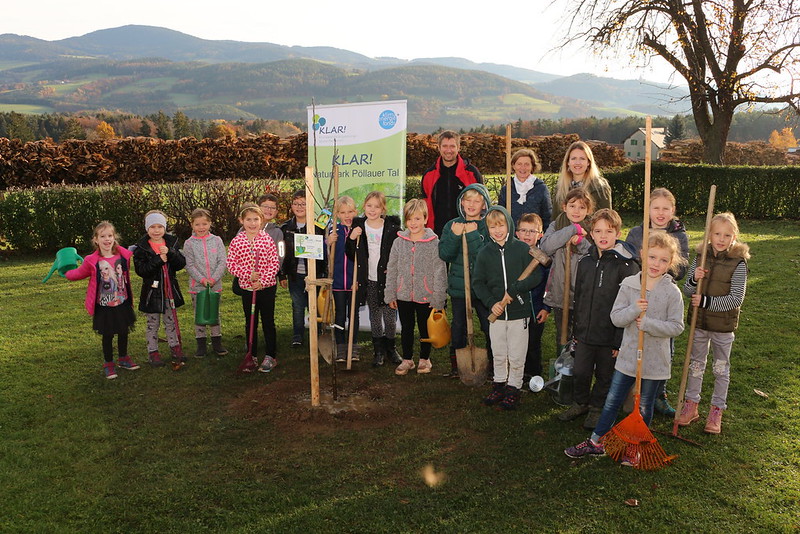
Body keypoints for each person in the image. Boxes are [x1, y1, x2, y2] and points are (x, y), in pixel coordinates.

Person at [564, 232, 686, 465]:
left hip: (654, 360)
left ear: (670, 263)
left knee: (645, 405)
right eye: (652, 257)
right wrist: (633, 310)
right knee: (612, 399)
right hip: (629, 355)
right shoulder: (630, 285)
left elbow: (677, 326)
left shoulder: (672, 292)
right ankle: (596, 442)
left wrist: (649, 324)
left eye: (662, 260)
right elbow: (616, 318)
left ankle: (635, 446)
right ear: (642, 255)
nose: (656, 264)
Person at [558, 208, 640, 430]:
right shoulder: (586, 262)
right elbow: (581, 298)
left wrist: (618, 340)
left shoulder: (627, 266)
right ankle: (580, 402)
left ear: (617, 233)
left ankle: (596, 407)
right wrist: (577, 331)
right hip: (585, 333)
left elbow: (630, 307)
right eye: (598, 231)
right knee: (581, 371)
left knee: (604, 374)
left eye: (609, 231)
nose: (603, 236)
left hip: (609, 335)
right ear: (591, 234)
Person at [677, 212, 750, 435]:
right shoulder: (700, 257)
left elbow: (736, 299)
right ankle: (691, 405)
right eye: (717, 233)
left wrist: (706, 301)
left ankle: (716, 410)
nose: (721, 238)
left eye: (727, 235)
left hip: (723, 327)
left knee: (720, 369)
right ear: (709, 234)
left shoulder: (738, 263)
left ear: (734, 236)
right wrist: (694, 279)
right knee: (696, 366)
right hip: (699, 323)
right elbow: (688, 290)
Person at [625, 187, 690, 416]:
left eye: (666, 208)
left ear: (673, 211)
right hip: (639, 294)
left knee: (664, 346)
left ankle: (659, 394)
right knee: (636, 341)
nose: (660, 213)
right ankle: (634, 389)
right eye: (656, 208)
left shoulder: (679, 234)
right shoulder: (636, 232)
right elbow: (629, 261)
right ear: (648, 209)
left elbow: (681, 269)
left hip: (663, 297)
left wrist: (662, 268)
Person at [473, 206, 542, 410]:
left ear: (509, 225)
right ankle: (499, 385)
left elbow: (536, 276)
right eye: (492, 226)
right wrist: (491, 303)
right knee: (499, 352)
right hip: (496, 312)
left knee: (517, 354)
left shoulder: (521, 249)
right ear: (487, 229)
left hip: (518, 313)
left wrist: (517, 289)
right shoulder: (484, 253)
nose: (497, 230)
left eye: (501, 225)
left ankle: (514, 388)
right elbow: (478, 283)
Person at [65, 221, 138, 379]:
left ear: (114, 237)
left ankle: (124, 358)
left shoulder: (123, 256)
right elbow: (78, 273)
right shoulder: (92, 260)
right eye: (103, 236)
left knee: (124, 331)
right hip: (104, 305)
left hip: (122, 302)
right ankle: (109, 363)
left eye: (110, 236)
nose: (107, 239)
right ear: (96, 240)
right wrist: (66, 273)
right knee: (108, 334)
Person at [384, 199, 448, 375]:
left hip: (426, 295)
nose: (414, 223)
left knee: (425, 328)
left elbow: (440, 272)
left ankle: (425, 359)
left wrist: (438, 298)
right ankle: (407, 359)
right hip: (403, 294)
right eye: (410, 219)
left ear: (425, 219)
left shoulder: (434, 243)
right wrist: (390, 294)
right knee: (406, 327)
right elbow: (392, 268)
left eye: (418, 219)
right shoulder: (399, 242)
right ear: (406, 220)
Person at [438, 183, 494, 378]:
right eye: (467, 200)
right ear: (461, 202)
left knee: (488, 325)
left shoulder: (488, 227)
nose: (471, 204)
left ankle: (493, 363)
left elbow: (484, 257)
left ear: (484, 205)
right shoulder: (451, 225)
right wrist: (455, 235)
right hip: (459, 286)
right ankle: (457, 365)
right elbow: (445, 254)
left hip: (483, 287)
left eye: (476, 201)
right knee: (459, 326)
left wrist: (471, 234)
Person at [346, 191, 402, 367]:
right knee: (375, 315)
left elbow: (398, 252)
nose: (372, 210)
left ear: (383, 208)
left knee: (390, 316)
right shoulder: (359, 227)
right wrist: (351, 238)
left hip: (386, 280)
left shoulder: (392, 229)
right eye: (369, 206)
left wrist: (393, 271)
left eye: (376, 206)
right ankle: (378, 351)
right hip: (368, 278)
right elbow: (350, 254)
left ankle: (391, 349)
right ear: (364, 206)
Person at [539, 188, 594, 360]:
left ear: (588, 210)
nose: (576, 210)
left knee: (580, 334)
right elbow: (547, 247)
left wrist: (582, 241)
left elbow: (596, 254)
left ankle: (577, 369)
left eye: (582, 207)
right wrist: (573, 229)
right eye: (572, 206)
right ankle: (561, 371)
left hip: (582, 292)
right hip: (560, 291)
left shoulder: (592, 229)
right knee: (562, 333)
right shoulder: (556, 225)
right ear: (564, 207)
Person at [226, 203, 281, 372]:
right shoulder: (237, 241)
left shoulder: (267, 240)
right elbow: (231, 265)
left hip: (266, 288)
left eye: (256, 219)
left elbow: (274, 263)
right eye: (248, 219)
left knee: (267, 321)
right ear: (241, 221)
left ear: (261, 220)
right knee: (250, 321)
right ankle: (252, 354)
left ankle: (270, 355)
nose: (252, 223)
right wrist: (247, 275)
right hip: (248, 289)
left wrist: (263, 281)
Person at [133, 210, 187, 368]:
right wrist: (158, 260)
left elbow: (180, 264)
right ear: (147, 228)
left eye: (160, 226)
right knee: (152, 323)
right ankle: (153, 351)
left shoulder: (171, 243)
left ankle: (175, 347)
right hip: (152, 292)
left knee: (171, 321)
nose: (156, 230)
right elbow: (141, 271)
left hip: (169, 290)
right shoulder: (141, 248)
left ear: (164, 228)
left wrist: (170, 254)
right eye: (152, 227)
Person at [280, 189, 327, 347]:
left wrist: (324, 273)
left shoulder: (318, 226)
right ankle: (298, 335)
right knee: (298, 306)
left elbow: (325, 252)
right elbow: (282, 253)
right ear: (291, 206)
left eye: (303, 204)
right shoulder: (286, 228)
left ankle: (320, 332)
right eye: (296, 203)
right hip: (295, 275)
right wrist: (282, 274)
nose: (299, 207)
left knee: (315, 306)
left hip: (314, 275)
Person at [182, 208, 228, 358]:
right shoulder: (189, 243)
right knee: (199, 315)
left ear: (210, 223)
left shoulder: (217, 240)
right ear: (192, 225)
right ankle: (201, 345)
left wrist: (214, 279)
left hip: (215, 285)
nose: (201, 227)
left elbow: (222, 261)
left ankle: (217, 343)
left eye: (204, 224)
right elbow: (189, 265)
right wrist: (202, 280)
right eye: (197, 224)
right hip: (198, 287)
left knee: (214, 314)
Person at [421, 130, 483, 237]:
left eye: (452, 146)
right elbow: (424, 206)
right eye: (445, 146)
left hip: (466, 233)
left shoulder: (471, 173)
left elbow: (482, 204)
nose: (448, 150)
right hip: (437, 234)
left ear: (458, 147)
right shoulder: (429, 175)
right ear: (439, 147)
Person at [326, 195, 361, 361]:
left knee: (353, 315)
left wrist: (359, 279)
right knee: (340, 315)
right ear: (337, 214)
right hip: (339, 282)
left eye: (350, 212)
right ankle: (340, 347)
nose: (347, 215)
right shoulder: (335, 231)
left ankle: (352, 348)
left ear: (355, 212)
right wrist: (328, 242)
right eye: (343, 212)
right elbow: (326, 257)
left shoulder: (359, 230)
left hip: (354, 281)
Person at [515, 213, 550, 380]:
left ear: (540, 234)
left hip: (535, 309)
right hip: (514, 309)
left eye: (532, 231)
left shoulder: (544, 260)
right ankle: (516, 373)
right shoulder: (510, 255)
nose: (527, 234)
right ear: (516, 233)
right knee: (515, 344)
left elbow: (549, 287)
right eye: (523, 230)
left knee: (532, 344)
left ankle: (533, 373)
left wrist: (546, 308)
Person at [552, 141, 611, 220]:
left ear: (588, 162)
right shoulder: (560, 187)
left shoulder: (600, 187)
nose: (577, 163)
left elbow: (607, 220)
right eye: (573, 158)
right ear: (568, 162)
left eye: (582, 159)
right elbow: (554, 220)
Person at [497, 148, 552, 229]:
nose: (523, 168)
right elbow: (500, 216)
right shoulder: (506, 190)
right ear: (513, 166)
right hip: (512, 238)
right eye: (519, 164)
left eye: (527, 164)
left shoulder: (541, 189)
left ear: (532, 166)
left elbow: (547, 217)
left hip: (534, 238)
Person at [257, 194, 286, 269]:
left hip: (267, 277)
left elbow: (281, 255)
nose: (269, 210)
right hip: (245, 276)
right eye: (265, 206)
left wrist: (269, 273)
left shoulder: (277, 232)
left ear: (276, 212)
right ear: (258, 207)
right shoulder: (246, 228)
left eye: (273, 208)